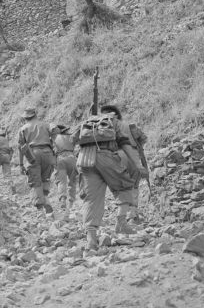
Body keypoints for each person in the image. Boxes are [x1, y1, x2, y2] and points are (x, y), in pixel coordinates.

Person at [73, 105, 148, 251]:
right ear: (115, 114)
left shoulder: (88, 122)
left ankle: (91, 239)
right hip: (106, 156)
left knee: (91, 198)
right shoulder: (115, 121)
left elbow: (73, 140)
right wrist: (139, 167)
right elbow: (126, 145)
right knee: (126, 185)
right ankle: (121, 222)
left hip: (85, 160)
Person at [100, 105, 148, 225]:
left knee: (122, 186)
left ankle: (122, 215)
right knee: (134, 186)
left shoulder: (104, 126)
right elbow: (143, 139)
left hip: (116, 157)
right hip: (133, 155)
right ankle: (132, 215)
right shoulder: (129, 125)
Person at [18, 107, 56, 214]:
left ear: (25, 118)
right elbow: (55, 136)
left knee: (36, 180)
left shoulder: (23, 128)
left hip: (33, 154)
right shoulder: (46, 124)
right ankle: (46, 199)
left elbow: (20, 147)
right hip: (48, 153)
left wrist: (21, 164)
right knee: (45, 178)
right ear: (35, 115)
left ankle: (40, 207)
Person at [51, 124, 77, 215]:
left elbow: (52, 152)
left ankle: (62, 201)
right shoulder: (71, 137)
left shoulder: (54, 139)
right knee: (73, 181)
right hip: (72, 159)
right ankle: (71, 202)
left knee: (62, 181)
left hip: (60, 159)